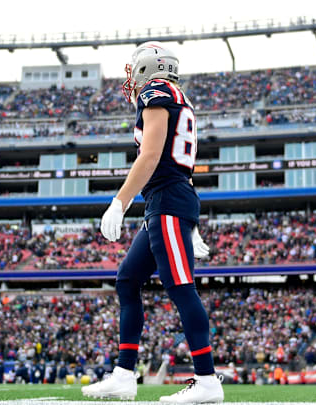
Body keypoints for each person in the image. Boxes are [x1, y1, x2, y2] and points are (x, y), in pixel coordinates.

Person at [81, 41, 223, 403]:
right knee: (128, 280)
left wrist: (119, 202)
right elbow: (180, 169)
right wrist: (192, 225)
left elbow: (151, 156)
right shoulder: (177, 96)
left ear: (148, 68)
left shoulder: (157, 92)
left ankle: (207, 381)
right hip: (168, 201)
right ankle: (125, 375)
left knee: (180, 287)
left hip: (168, 202)